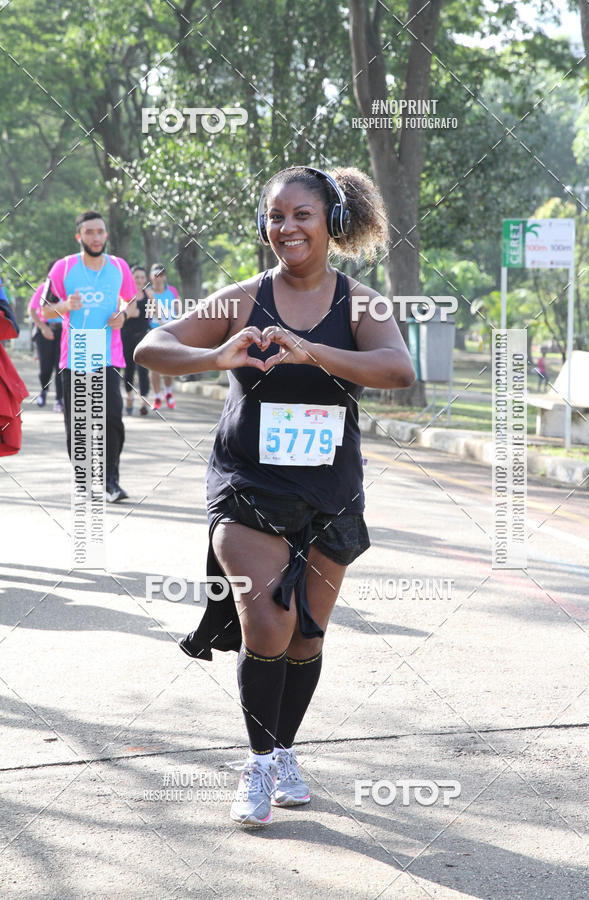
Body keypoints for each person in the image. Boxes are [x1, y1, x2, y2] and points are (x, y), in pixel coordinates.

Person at [135, 165, 415, 826]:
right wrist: (217, 356)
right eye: (275, 216)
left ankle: (285, 749)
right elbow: (153, 345)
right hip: (247, 486)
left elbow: (398, 370)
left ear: (328, 223)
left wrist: (314, 352)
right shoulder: (242, 298)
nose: (285, 227)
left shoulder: (361, 304)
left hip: (329, 491)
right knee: (268, 620)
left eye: (300, 216)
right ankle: (258, 765)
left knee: (306, 638)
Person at [42, 209, 137, 502]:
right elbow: (44, 310)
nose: (95, 237)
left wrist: (123, 313)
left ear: (106, 235)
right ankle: (82, 482)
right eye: (89, 232)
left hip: (109, 354)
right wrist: (66, 306)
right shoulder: (63, 267)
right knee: (78, 421)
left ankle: (110, 481)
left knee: (112, 417)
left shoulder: (119, 267)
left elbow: (132, 303)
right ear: (79, 236)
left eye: (100, 232)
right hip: (76, 353)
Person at [29, 261, 64, 411]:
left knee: (60, 367)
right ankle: (44, 390)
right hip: (45, 332)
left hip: (62, 332)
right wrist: (43, 328)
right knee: (46, 367)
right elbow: (32, 311)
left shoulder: (67, 290)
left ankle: (59, 399)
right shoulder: (43, 289)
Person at [122, 265, 153, 416]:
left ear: (145, 279)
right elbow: (129, 313)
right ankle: (129, 395)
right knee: (129, 368)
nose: (139, 280)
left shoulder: (149, 295)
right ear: (131, 278)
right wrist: (138, 312)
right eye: (137, 277)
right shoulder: (125, 295)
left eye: (142, 277)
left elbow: (154, 313)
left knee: (143, 368)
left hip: (143, 335)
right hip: (126, 335)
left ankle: (144, 400)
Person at [148, 263, 180, 410]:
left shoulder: (172, 291)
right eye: (155, 275)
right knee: (153, 366)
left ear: (164, 277)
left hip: (170, 332)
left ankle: (168, 392)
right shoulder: (148, 293)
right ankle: (157, 397)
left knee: (169, 365)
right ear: (151, 276)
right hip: (153, 332)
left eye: (161, 275)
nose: (158, 278)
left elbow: (179, 311)